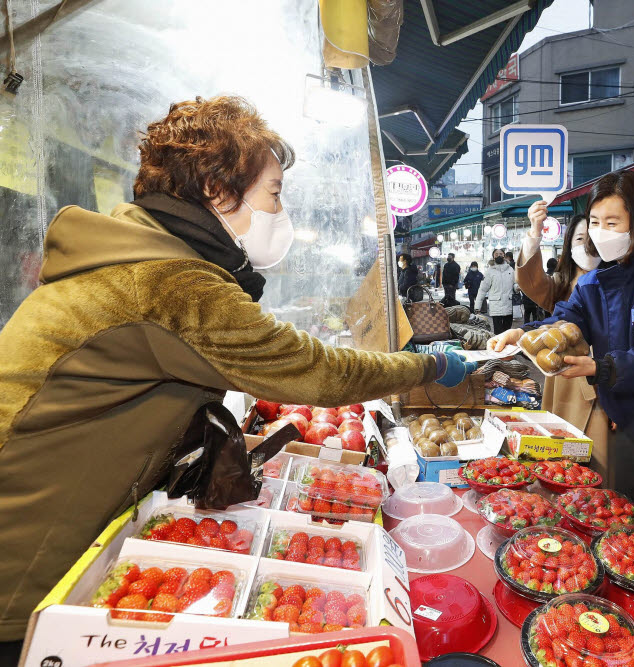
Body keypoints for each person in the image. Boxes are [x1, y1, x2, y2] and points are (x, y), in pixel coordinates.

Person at [0, 96, 477, 651]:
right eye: (274, 195)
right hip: (28, 547)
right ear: (217, 191)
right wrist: (432, 362)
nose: (281, 212)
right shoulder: (168, 280)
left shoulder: (139, 255)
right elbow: (318, 373)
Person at [490, 171, 634, 584]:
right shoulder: (594, 281)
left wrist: (605, 367)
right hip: (629, 432)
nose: (600, 233)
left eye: (612, 223)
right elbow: (566, 321)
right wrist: (525, 335)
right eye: (595, 222)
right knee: (631, 535)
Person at [516, 210, 611, 481]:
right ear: (568, 246)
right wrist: (535, 231)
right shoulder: (562, 284)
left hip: (603, 375)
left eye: (592, 238)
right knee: (562, 456)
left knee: (599, 459)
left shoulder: (618, 281)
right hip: (565, 376)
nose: (587, 246)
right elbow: (531, 282)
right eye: (580, 239)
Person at [476, 248, 515, 333]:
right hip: (496, 306)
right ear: (493, 257)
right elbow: (482, 289)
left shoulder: (511, 270)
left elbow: (515, 284)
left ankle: (507, 346)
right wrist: (477, 306)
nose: (499, 256)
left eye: (501, 254)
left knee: (507, 331)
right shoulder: (489, 271)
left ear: (504, 256)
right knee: (498, 332)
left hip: (509, 304)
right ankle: (497, 346)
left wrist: (517, 288)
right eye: (496, 254)